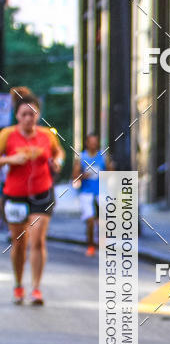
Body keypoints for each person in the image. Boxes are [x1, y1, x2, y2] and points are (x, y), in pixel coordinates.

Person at [0, 86, 65, 305]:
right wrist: (9, 160)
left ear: (38, 114)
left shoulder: (47, 135)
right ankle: (19, 284)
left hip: (42, 194)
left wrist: (58, 161)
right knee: (20, 244)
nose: (29, 118)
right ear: (17, 115)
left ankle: (36, 288)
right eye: (24, 114)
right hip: (15, 195)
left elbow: (58, 152)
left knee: (37, 240)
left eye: (33, 113)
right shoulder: (7, 135)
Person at [72, 133, 108, 256]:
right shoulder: (81, 158)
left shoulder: (103, 157)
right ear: (87, 143)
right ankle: (91, 245)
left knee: (102, 221)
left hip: (101, 192)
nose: (93, 144)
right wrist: (83, 175)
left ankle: (103, 245)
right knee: (90, 220)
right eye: (91, 142)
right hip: (86, 193)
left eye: (95, 142)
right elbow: (74, 177)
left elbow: (111, 172)